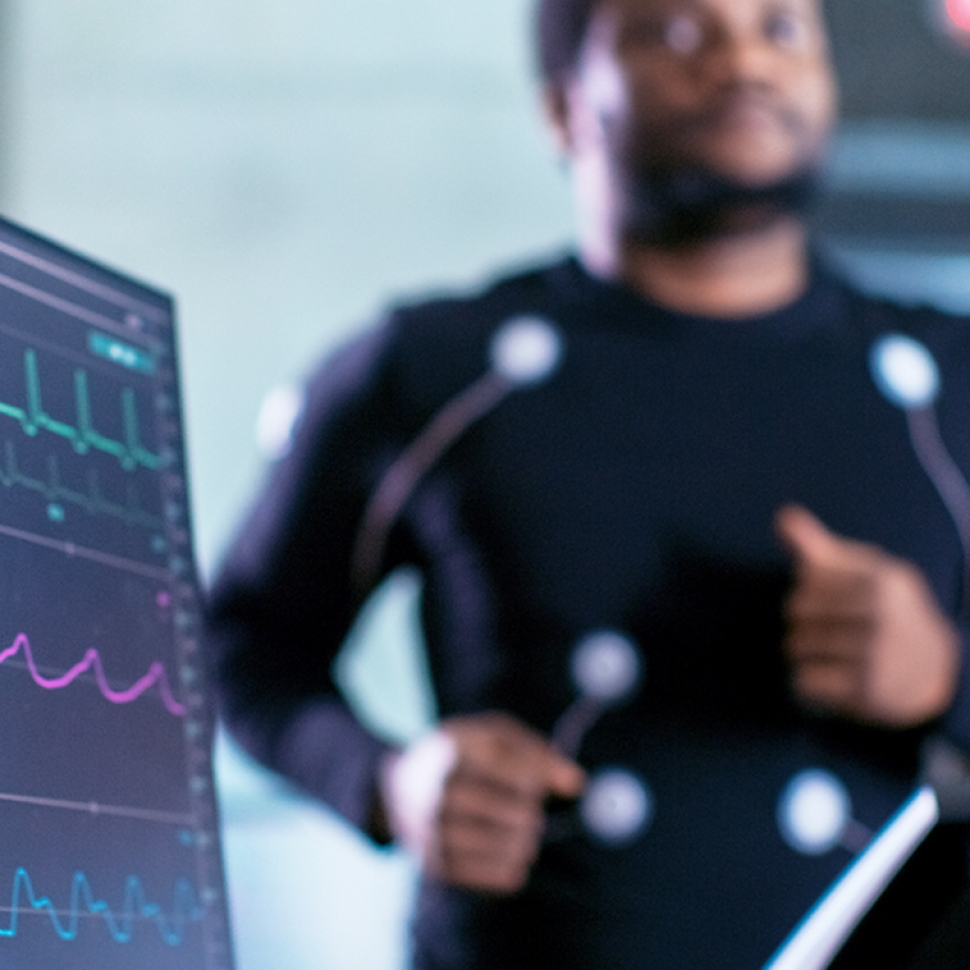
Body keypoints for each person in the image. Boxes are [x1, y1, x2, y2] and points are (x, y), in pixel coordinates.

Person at [205, 0, 970, 967]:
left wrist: (946, 675)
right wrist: (388, 780)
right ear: (564, 110)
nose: (744, 61)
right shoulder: (433, 367)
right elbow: (238, 644)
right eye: (680, 33)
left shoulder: (952, 383)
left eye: (780, 29)